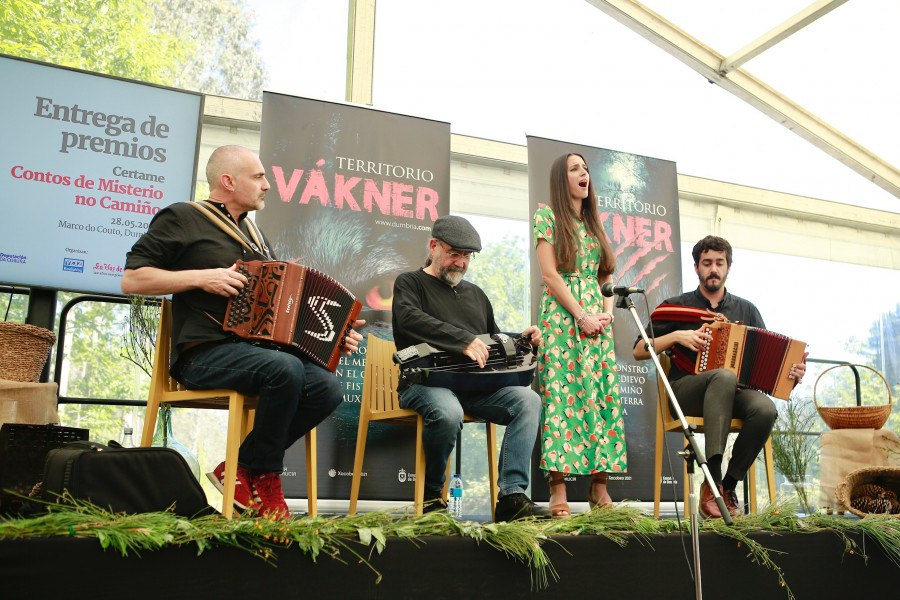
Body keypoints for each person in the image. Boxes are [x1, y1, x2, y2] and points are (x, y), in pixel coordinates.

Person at [121, 145, 364, 519]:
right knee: (284, 370)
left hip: (257, 354)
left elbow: (281, 314)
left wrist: (334, 335)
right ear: (228, 181)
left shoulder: (254, 234)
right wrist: (203, 277)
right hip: (202, 354)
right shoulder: (183, 217)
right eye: (259, 177)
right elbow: (132, 280)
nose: (267, 185)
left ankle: (241, 467)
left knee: (327, 387)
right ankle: (265, 475)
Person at [392, 215, 552, 521]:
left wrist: (522, 340)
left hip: (475, 390)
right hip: (424, 385)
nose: (461, 263)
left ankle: (512, 497)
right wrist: (461, 340)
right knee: (449, 412)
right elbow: (409, 319)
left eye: (467, 257)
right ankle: (432, 498)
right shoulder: (409, 283)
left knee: (529, 400)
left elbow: (491, 339)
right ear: (433, 246)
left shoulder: (477, 294)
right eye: (454, 254)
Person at [633, 235, 806, 518]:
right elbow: (639, 350)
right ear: (696, 268)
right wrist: (677, 335)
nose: (713, 268)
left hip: (733, 394)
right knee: (723, 377)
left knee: (765, 409)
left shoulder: (746, 309)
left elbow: (768, 360)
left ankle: (726, 485)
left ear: (728, 267)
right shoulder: (676, 305)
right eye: (707, 263)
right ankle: (712, 479)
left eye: (719, 263)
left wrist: (792, 372)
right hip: (686, 393)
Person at [533, 152, 627, 517]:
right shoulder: (547, 216)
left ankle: (598, 487)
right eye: (575, 169)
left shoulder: (594, 223)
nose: (584, 174)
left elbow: (605, 275)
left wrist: (605, 314)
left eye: (586, 169)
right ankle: (558, 490)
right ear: (562, 179)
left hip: (596, 323)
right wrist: (581, 315)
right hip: (562, 320)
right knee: (561, 398)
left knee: (601, 397)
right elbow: (550, 275)